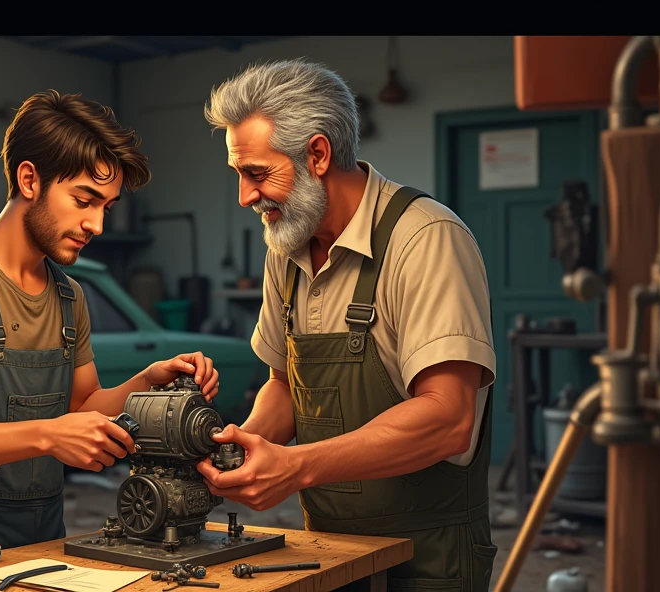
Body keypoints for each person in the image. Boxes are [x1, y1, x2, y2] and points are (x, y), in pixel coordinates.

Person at [0, 89, 221, 569]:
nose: (97, 223)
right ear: (29, 179)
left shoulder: (67, 295)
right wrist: (45, 436)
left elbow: (81, 408)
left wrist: (147, 384)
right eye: (84, 199)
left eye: (106, 206)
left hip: (49, 552)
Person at [195, 58, 498, 590]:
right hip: (326, 550)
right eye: (238, 175)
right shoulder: (287, 246)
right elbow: (287, 387)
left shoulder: (425, 239)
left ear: (317, 154)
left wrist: (296, 466)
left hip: (427, 554)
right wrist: (232, 454)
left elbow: (449, 418)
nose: (245, 197)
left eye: (257, 174)